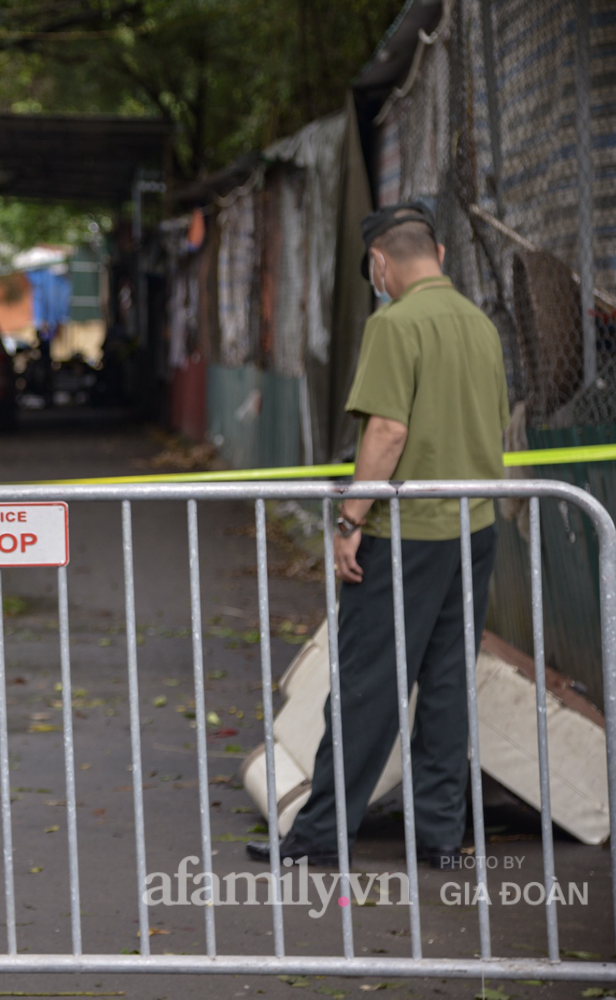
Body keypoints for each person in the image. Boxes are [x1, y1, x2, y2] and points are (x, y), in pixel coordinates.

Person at [247, 201, 510, 870]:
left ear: (378, 263)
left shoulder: (394, 324)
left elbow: (387, 431)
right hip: (473, 526)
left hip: (408, 534)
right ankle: (441, 837)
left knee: (367, 679)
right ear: (440, 256)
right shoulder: (480, 325)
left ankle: (319, 837)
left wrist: (348, 520)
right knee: (447, 681)